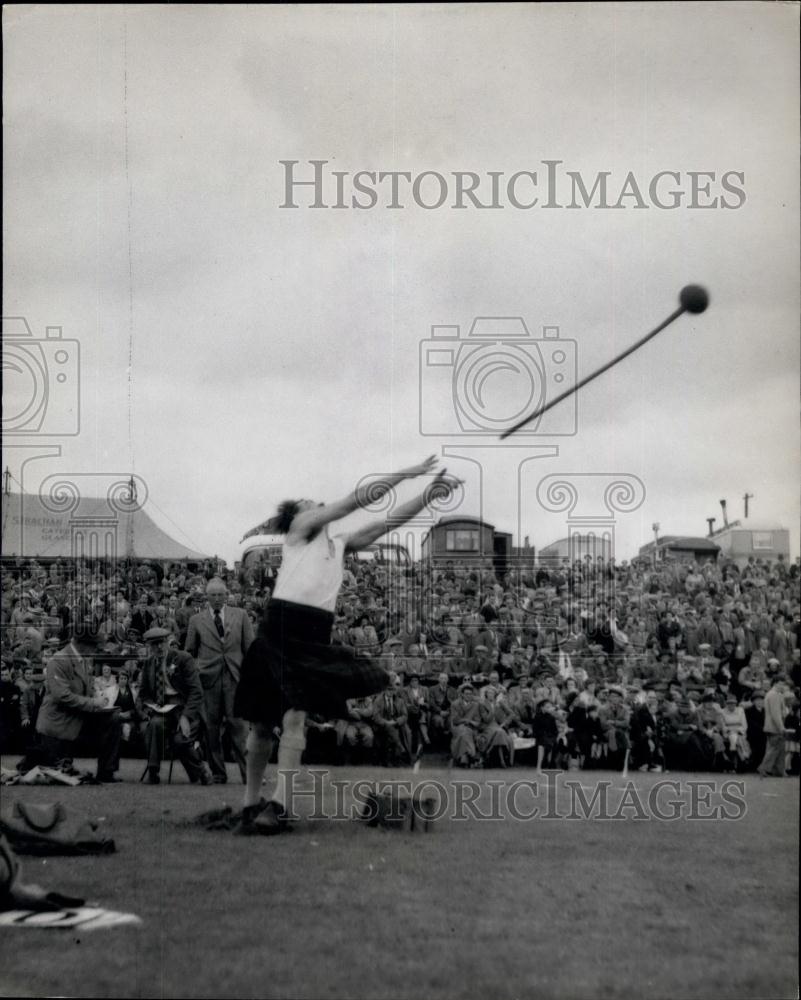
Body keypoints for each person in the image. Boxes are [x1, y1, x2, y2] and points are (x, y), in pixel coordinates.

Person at [234, 456, 458, 833]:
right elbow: (353, 501)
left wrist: (428, 495)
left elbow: (388, 522)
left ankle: (280, 805)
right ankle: (249, 803)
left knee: (295, 716)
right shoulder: (300, 529)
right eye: (308, 501)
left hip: (314, 631)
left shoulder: (339, 543)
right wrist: (409, 472)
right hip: (281, 626)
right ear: (298, 514)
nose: (315, 503)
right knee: (260, 724)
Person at [34, 620, 122, 782]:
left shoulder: (83, 658)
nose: (96, 649)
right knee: (51, 770)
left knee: (114, 718)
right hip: (58, 726)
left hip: (78, 719)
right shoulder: (59, 660)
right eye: (94, 645)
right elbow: (62, 696)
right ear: (82, 644)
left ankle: (106, 771)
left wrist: (97, 695)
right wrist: (93, 703)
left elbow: (86, 689)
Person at [185, 578, 254, 783]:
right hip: (208, 680)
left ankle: (248, 774)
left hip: (235, 678)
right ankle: (218, 773)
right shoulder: (195, 621)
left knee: (239, 727)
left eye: (220, 595)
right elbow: (189, 652)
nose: (217, 599)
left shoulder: (241, 615)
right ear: (206, 597)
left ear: (227, 595)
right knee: (211, 728)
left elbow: (250, 649)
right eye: (212, 595)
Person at [137, 628, 213, 785]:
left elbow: (196, 691)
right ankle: (153, 771)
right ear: (149, 646)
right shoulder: (149, 663)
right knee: (154, 725)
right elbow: (143, 694)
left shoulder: (183, 659)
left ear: (167, 642)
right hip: (161, 709)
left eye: (161, 643)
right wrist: (149, 709)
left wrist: (186, 716)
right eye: (153, 645)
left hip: (183, 708)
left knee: (180, 739)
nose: (158, 648)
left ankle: (200, 771)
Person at [757, 675, 788, 777]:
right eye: (781, 684)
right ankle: (764, 768)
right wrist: (781, 727)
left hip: (772, 726)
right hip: (774, 727)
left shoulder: (774, 694)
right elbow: (776, 714)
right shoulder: (774, 695)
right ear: (776, 683)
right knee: (774, 749)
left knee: (778, 749)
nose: (783, 686)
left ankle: (778, 771)